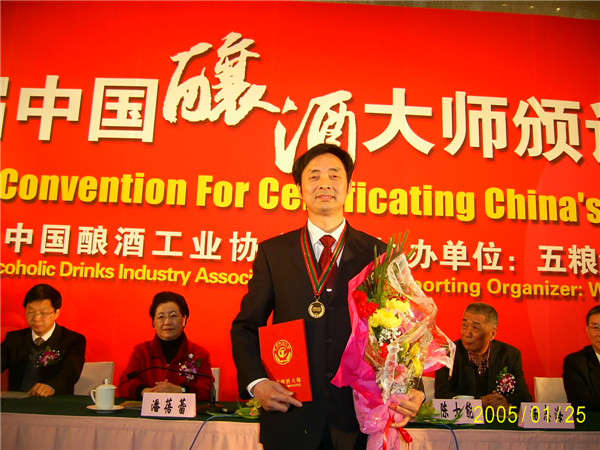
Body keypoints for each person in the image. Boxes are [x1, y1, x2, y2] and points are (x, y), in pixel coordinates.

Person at [230, 143, 424, 450]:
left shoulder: (379, 254)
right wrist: (257, 383)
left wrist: (413, 386)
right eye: (314, 176)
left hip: (358, 418)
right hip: (290, 412)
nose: (324, 184)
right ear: (299, 189)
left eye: (334, 175)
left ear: (349, 186)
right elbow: (246, 326)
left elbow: (402, 331)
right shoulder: (274, 254)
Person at [118, 291, 213, 400]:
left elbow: (208, 389)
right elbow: (124, 384)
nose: (167, 322)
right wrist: (145, 391)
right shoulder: (142, 352)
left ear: (184, 319)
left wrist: (182, 390)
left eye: (173, 316)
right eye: (161, 317)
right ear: (153, 322)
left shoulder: (199, 354)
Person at [435, 302, 531, 409]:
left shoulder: (509, 355)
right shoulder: (448, 354)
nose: (467, 334)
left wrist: (504, 401)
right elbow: (441, 395)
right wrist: (479, 402)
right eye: (464, 325)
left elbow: (524, 396)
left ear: (492, 334)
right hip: (462, 417)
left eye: (475, 327)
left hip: (497, 417)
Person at [1, 284, 86, 397]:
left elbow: (70, 372)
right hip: (17, 402)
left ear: (56, 313)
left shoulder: (72, 340)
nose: (37, 318)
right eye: (31, 312)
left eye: (44, 313)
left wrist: (51, 387)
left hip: (54, 403)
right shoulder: (14, 338)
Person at [562, 305, 600, 411]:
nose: (599, 334)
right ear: (587, 330)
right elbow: (580, 401)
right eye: (595, 327)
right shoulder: (576, 362)